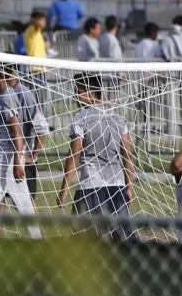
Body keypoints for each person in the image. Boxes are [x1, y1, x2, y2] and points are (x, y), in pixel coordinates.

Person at [57, 74, 135, 221]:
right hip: (117, 186)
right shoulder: (117, 118)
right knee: (120, 240)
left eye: (79, 92)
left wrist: (64, 190)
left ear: (91, 92)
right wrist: (128, 186)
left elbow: (74, 155)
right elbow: (127, 155)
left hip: (90, 186)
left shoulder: (80, 118)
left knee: (82, 241)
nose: (75, 96)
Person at [0, 64, 41, 237]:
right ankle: (39, 243)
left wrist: (17, 163)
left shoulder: (6, 98)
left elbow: (16, 130)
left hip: (5, 162)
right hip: (9, 160)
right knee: (26, 210)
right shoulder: (6, 96)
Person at [7, 67, 50, 200]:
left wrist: (33, 156)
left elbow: (41, 127)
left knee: (27, 203)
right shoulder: (4, 93)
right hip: (6, 158)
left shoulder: (24, 94)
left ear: (12, 73)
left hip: (23, 160)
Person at [23, 11, 49, 78]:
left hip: (41, 66)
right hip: (35, 67)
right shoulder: (32, 29)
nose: (45, 23)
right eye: (43, 20)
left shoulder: (39, 32)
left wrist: (45, 45)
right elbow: (36, 25)